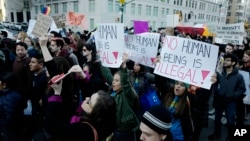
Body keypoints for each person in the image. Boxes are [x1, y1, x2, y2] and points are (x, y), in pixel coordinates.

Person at [43, 76, 117, 141]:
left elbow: (53, 126)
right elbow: (88, 95)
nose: (87, 99)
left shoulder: (82, 131)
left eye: (89, 102)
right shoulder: (103, 123)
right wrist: (84, 77)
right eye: (91, 97)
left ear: (95, 113)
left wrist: (56, 93)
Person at [100, 54, 139, 141]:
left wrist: (123, 67)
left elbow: (125, 82)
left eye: (117, 81)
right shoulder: (114, 91)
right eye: (113, 80)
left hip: (124, 133)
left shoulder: (128, 95)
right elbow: (107, 74)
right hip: (113, 129)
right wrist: (101, 59)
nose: (113, 82)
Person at [208, 53, 246, 141]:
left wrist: (234, 96)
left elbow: (242, 89)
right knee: (217, 119)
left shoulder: (238, 76)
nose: (225, 62)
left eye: (228, 60)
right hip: (220, 100)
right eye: (225, 60)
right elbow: (215, 83)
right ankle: (216, 134)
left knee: (230, 121)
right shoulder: (219, 72)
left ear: (233, 63)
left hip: (231, 101)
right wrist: (216, 87)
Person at [0, 72, 23, 141]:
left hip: (7, 131)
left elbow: (9, 119)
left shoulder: (10, 99)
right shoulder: (6, 93)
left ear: (4, 85)